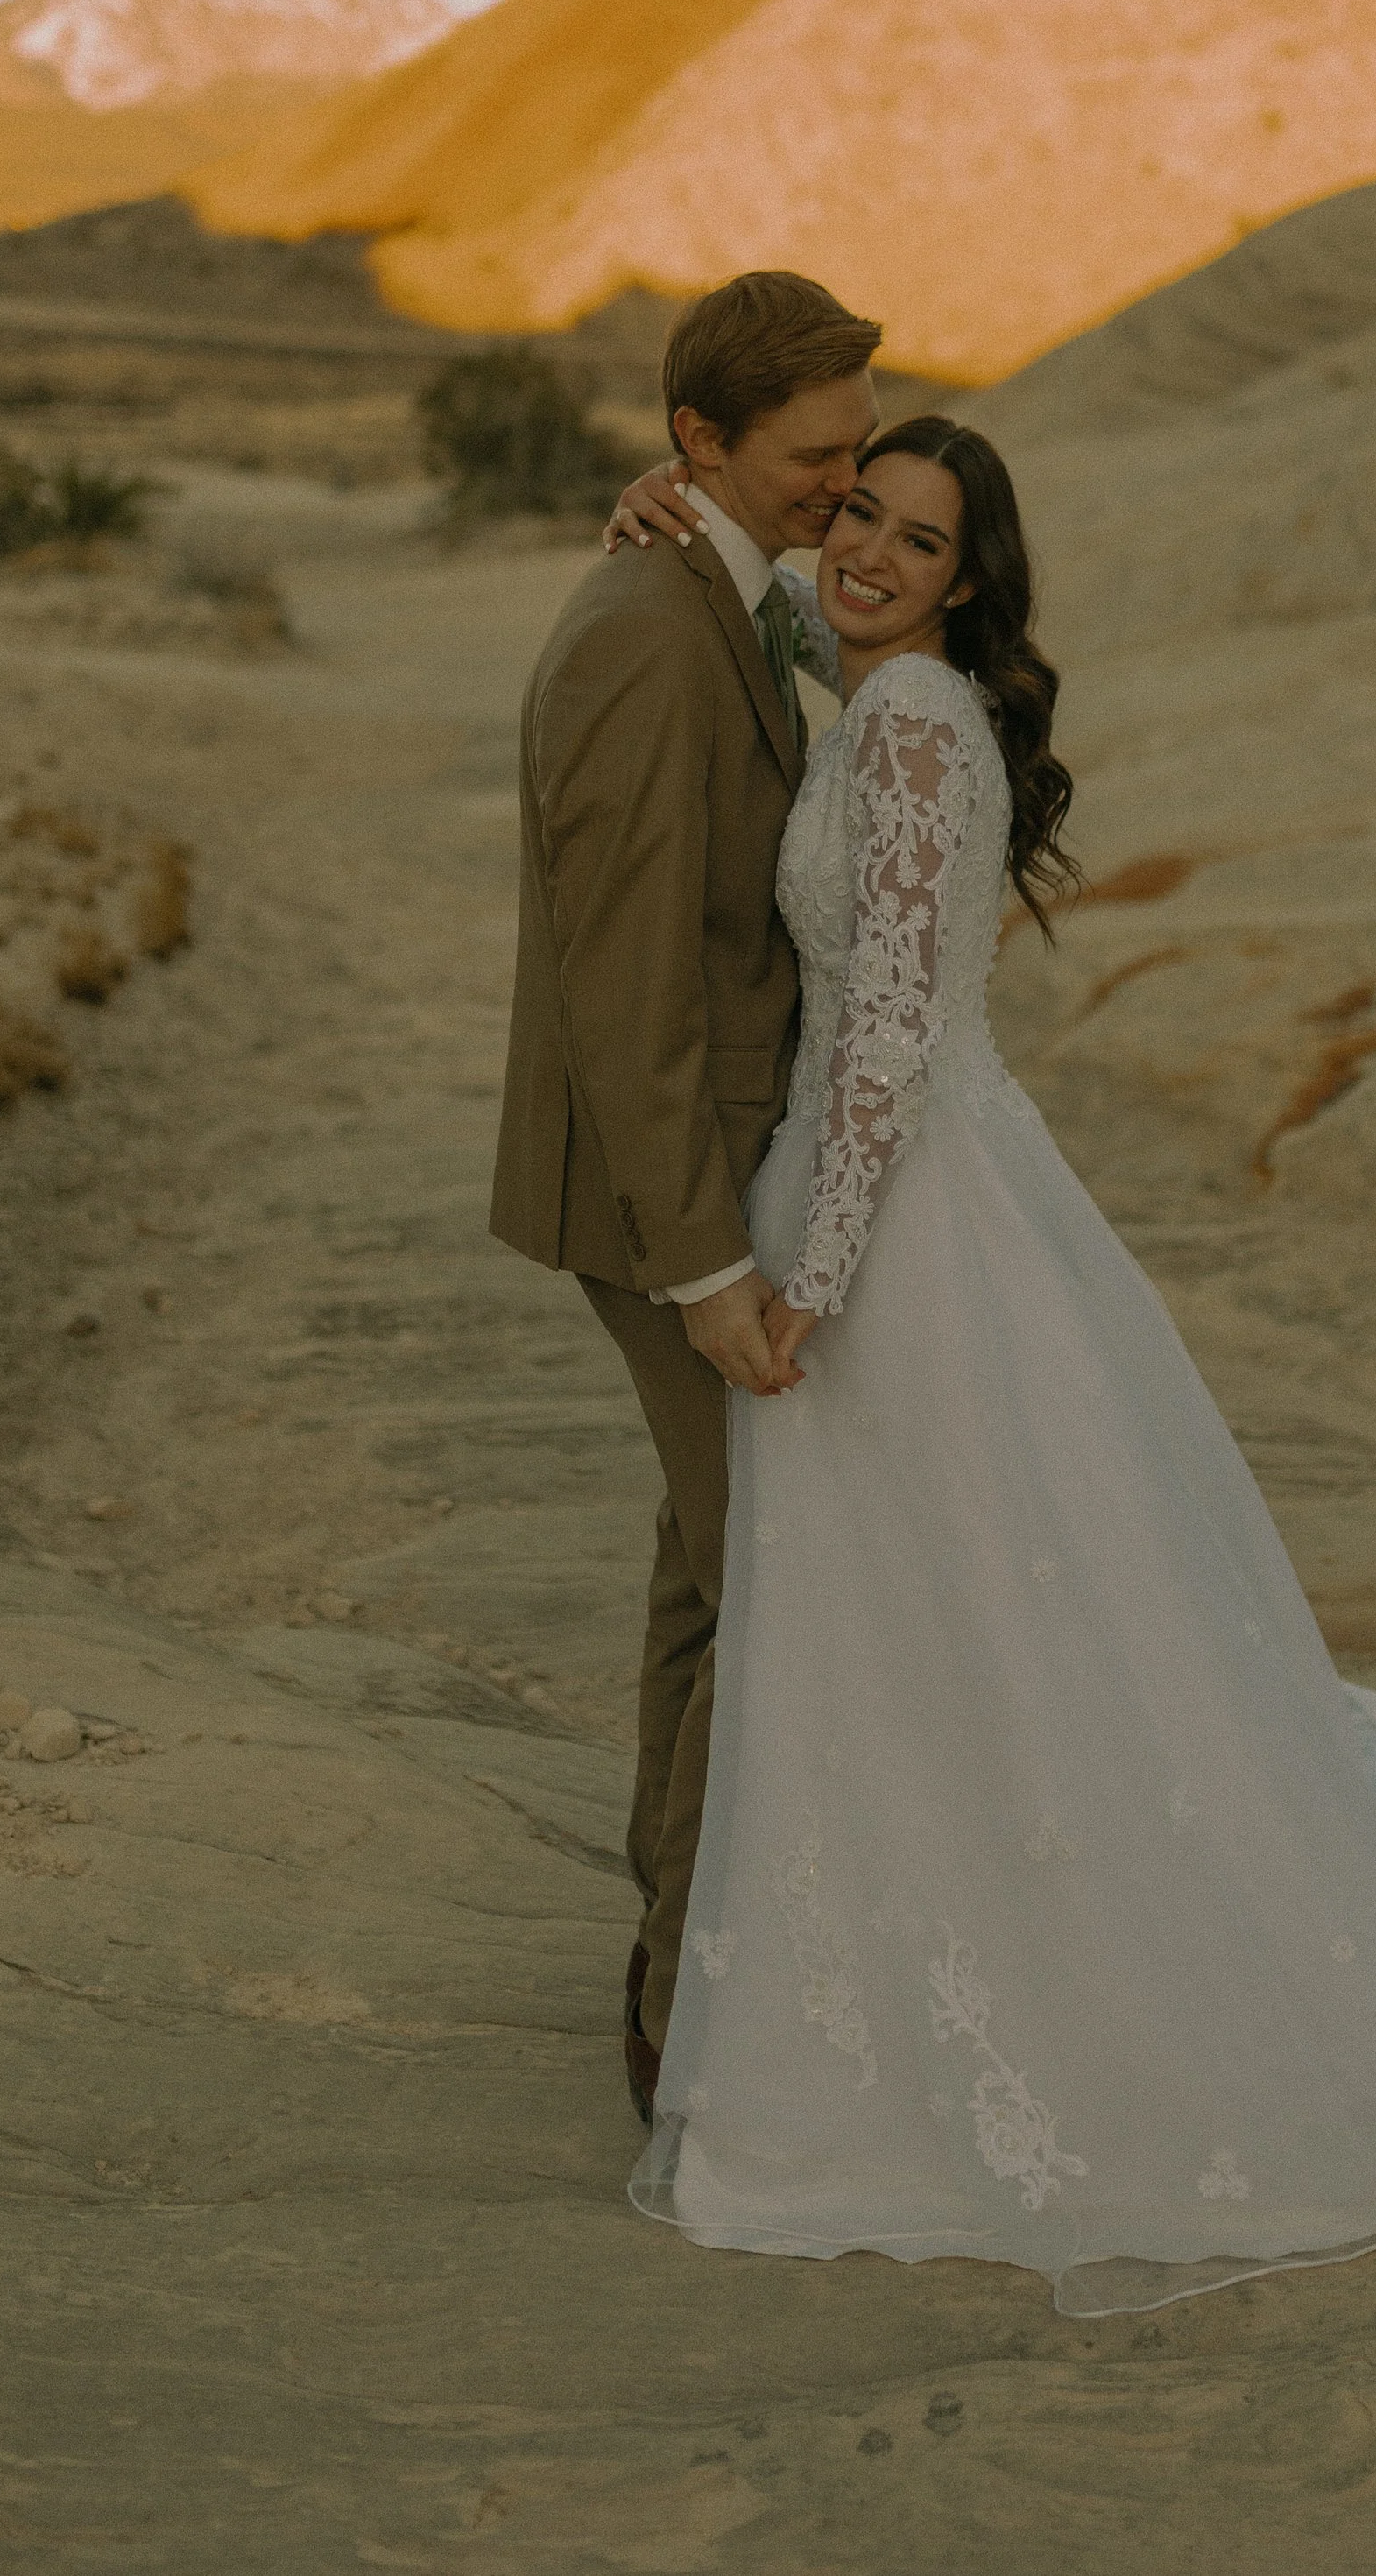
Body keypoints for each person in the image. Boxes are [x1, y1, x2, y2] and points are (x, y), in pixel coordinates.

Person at [602, 412, 1376, 2318]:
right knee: (912, 1624)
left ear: (968, 584)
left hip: (897, 1225)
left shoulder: (925, 731)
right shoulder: (853, 671)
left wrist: (819, 1284)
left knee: (944, 1614)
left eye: (913, 538)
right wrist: (682, 514)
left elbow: (878, 1031)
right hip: (871, 1196)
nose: (861, 550)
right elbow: (782, 600)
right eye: (854, 509)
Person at [491, 270, 877, 2122]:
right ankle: (694, 2021)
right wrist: (705, 1261)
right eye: (814, 455)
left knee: (709, 1579)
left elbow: (843, 614)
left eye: (861, 442)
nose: (845, 480)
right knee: (780, 1589)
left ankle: (675, 1966)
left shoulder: (728, 592)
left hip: (723, 1164)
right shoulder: (647, 635)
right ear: (697, 443)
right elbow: (626, 971)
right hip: (672, 1194)